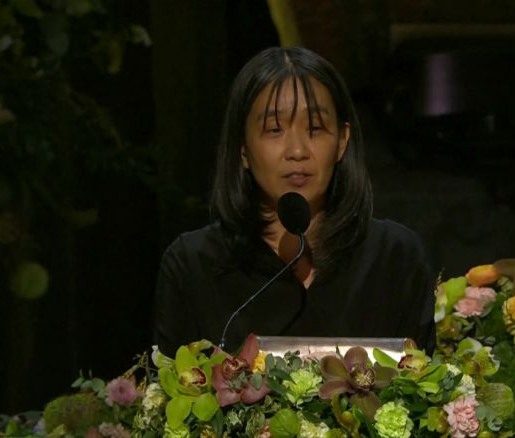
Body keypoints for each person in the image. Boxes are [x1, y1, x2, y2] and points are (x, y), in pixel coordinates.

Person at [154, 46, 435, 355]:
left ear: (342, 141)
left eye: (315, 129)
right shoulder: (193, 266)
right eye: (274, 130)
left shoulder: (395, 258)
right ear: (242, 147)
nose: (297, 151)